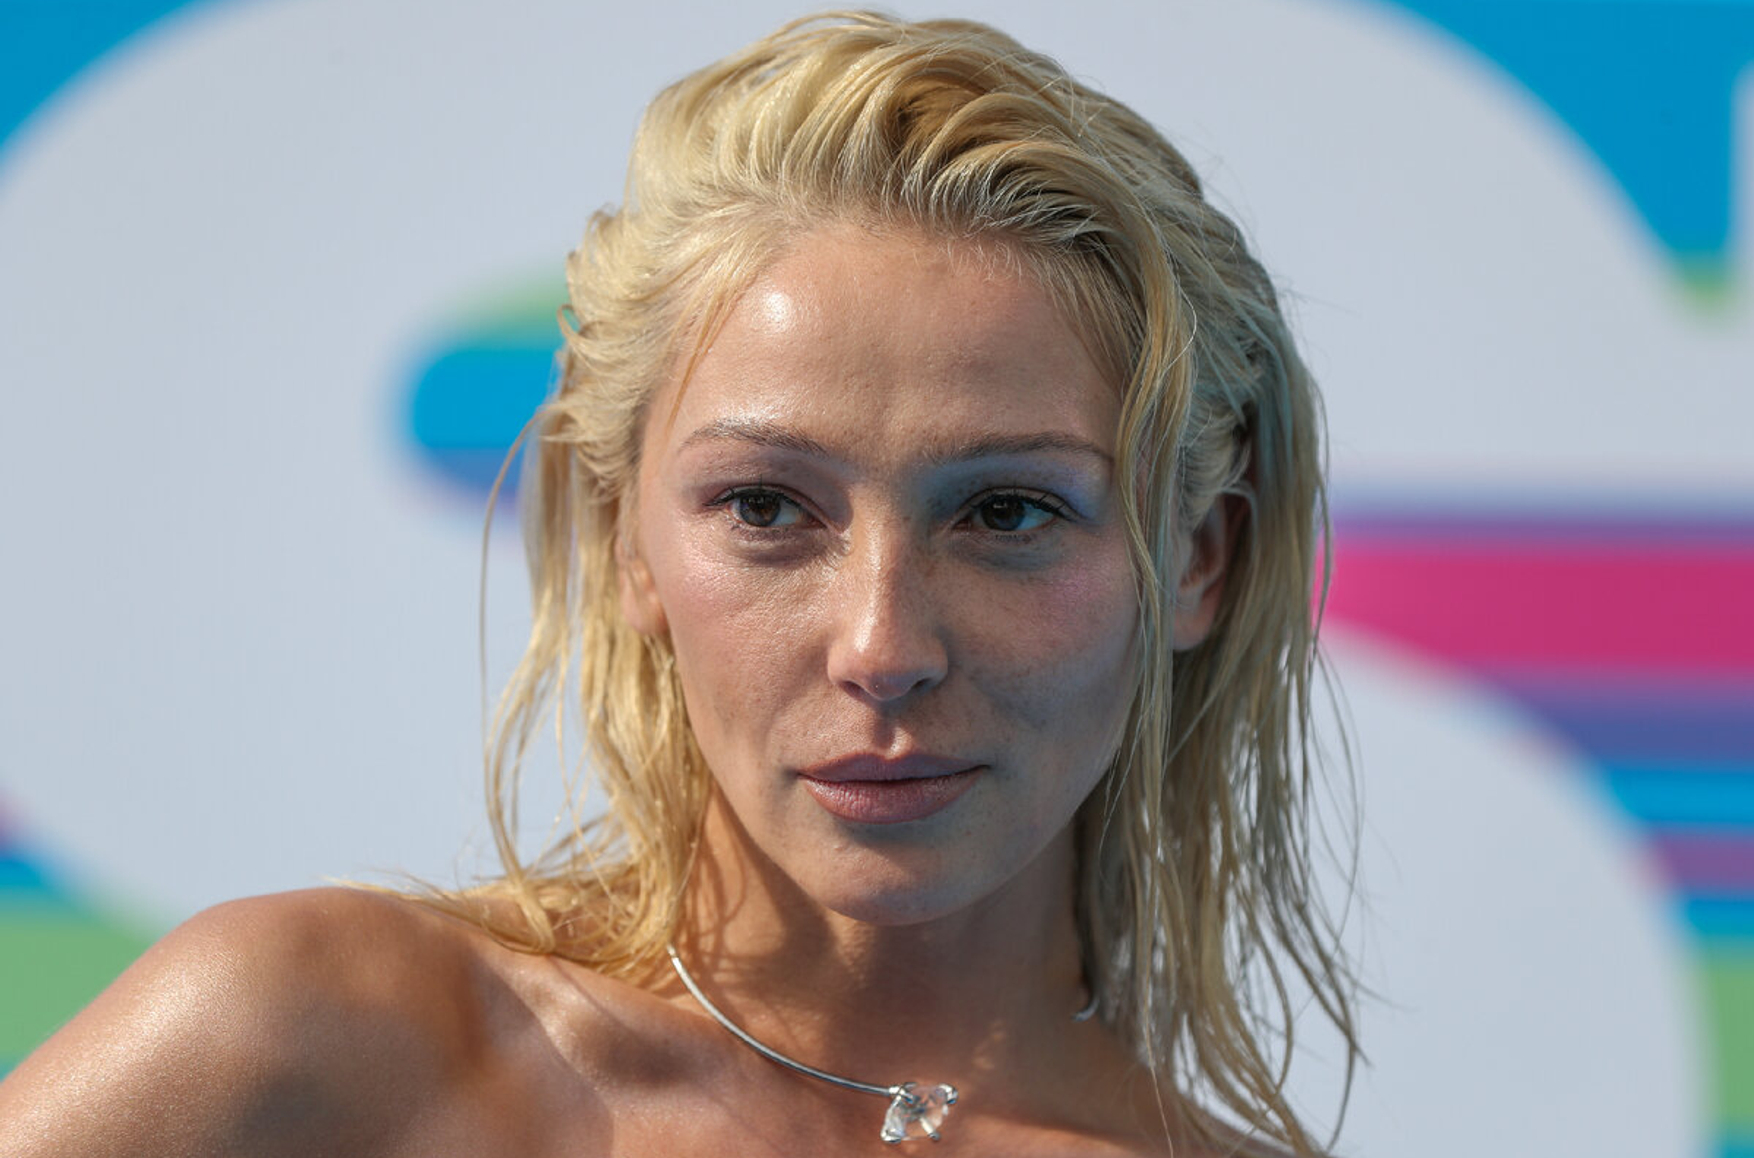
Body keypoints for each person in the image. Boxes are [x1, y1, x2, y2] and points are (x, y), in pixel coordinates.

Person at [0, 12, 1357, 1156]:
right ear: (625, 541)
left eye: (1007, 512)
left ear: (1200, 558)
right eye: (764, 506)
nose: (881, 646)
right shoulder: (305, 1048)